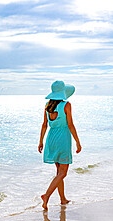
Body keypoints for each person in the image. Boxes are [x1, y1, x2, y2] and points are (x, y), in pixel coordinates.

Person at [38, 80, 81, 210]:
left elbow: (44, 125)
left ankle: (63, 199)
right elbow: (70, 125)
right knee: (63, 173)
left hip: (51, 139)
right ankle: (46, 196)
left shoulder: (47, 106)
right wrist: (78, 142)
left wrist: (41, 141)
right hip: (63, 140)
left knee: (58, 172)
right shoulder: (66, 105)